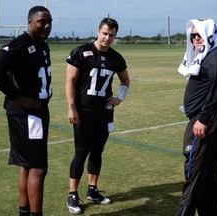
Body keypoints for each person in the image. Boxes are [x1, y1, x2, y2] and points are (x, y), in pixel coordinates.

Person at [0, 6, 53, 216]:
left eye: (49, 21)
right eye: (42, 21)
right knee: (38, 168)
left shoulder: (41, 45)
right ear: (30, 22)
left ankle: (24, 212)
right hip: (27, 114)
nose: (47, 25)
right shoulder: (21, 44)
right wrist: (18, 97)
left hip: (37, 112)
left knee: (27, 165)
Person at [65, 17, 130, 214]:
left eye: (111, 35)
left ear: (115, 36)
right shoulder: (81, 52)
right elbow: (70, 81)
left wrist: (119, 97)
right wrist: (71, 107)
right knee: (81, 152)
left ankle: (92, 190)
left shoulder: (116, 57)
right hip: (83, 112)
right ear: (98, 31)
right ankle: (72, 194)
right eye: (104, 33)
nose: (107, 38)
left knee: (97, 151)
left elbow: (125, 79)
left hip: (104, 112)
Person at [175, 18, 217, 216]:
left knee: (195, 173)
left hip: (207, 120)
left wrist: (204, 118)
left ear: (210, 33)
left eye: (199, 34)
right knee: (207, 173)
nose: (196, 38)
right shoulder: (206, 56)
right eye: (193, 35)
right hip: (204, 118)